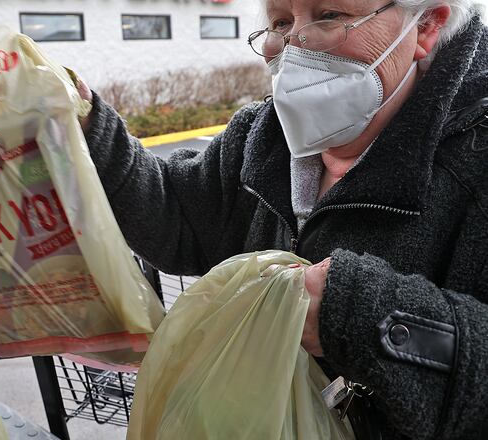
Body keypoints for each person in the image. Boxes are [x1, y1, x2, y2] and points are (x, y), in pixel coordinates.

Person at [74, 0, 488, 438]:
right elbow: (181, 217)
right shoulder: (263, 136)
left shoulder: (475, 159)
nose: (295, 46)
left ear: (425, 26)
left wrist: (363, 317)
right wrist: (86, 124)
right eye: (281, 22)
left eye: (330, 15)